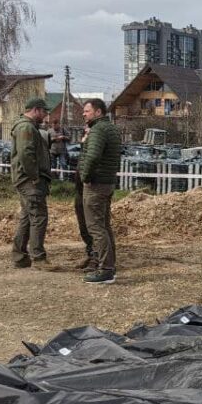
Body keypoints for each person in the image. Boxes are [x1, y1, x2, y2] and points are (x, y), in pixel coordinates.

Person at [78, 98, 122, 284]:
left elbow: (93, 155)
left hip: (96, 184)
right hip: (107, 181)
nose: (83, 114)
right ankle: (110, 266)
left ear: (98, 112)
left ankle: (105, 270)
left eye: (87, 111)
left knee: (96, 227)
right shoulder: (111, 128)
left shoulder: (98, 130)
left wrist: (85, 176)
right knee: (104, 226)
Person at [9, 97, 52, 268]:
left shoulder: (27, 126)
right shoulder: (26, 127)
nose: (46, 115)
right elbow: (26, 154)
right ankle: (39, 257)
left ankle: (20, 256)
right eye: (44, 111)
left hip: (25, 178)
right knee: (39, 216)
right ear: (35, 110)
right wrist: (34, 176)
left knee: (27, 217)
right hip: (29, 180)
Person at [73, 118, 96, 270]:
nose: (85, 132)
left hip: (91, 188)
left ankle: (97, 256)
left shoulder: (95, 145)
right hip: (80, 189)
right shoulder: (85, 146)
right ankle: (90, 252)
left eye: (88, 130)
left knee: (93, 225)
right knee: (83, 224)